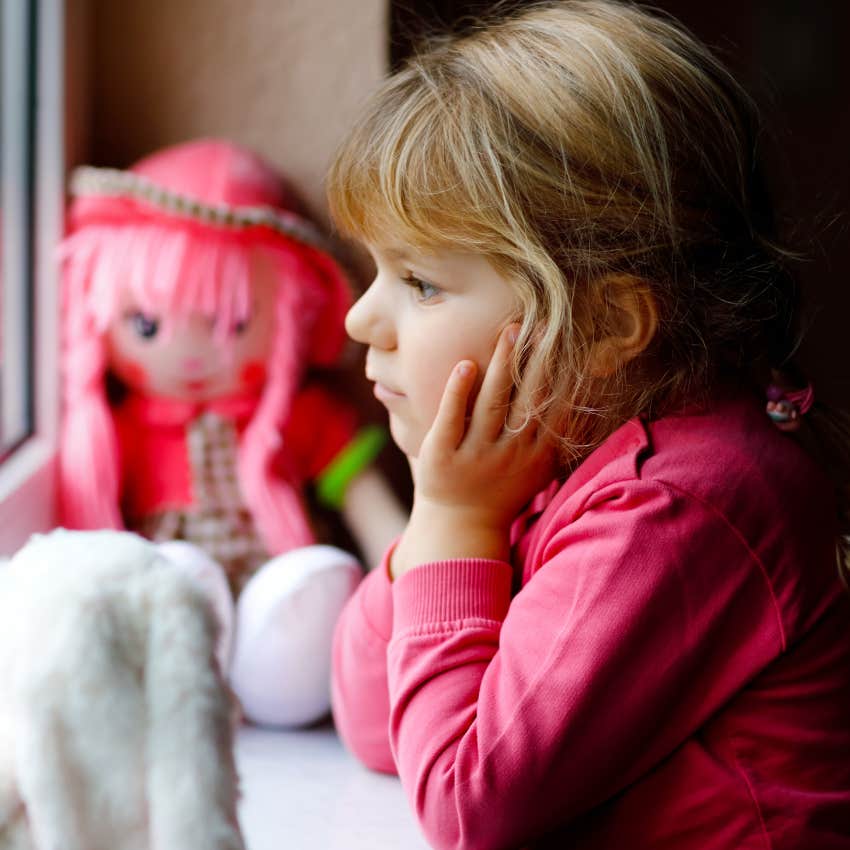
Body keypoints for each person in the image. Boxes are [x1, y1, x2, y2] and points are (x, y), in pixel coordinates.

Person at [327, 2, 850, 848]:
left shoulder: (682, 506)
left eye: (419, 281)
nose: (360, 319)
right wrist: (446, 515)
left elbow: (466, 806)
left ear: (607, 327)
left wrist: (457, 520)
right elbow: (370, 715)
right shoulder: (548, 460)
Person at [58, 139, 406, 727]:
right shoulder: (118, 429)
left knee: (309, 590)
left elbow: (365, 499)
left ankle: (284, 679)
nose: (189, 355)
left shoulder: (298, 416)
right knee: (173, 578)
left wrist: (403, 566)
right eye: (146, 324)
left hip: (273, 597)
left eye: (234, 322)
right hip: (171, 608)